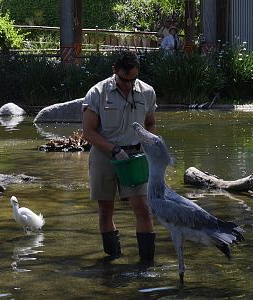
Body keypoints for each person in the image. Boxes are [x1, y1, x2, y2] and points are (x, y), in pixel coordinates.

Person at [82, 51, 157, 261]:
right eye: (125, 80)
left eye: (133, 79)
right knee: (106, 209)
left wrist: (150, 143)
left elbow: (150, 122)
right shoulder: (97, 93)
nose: (129, 85)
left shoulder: (147, 92)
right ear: (114, 71)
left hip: (135, 157)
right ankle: (112, 260)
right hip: (105, 156)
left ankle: (146, 264)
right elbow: (88, 132)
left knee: (143, 208)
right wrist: (114, 150)